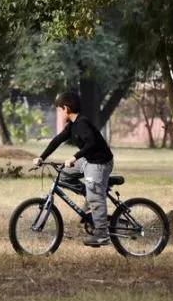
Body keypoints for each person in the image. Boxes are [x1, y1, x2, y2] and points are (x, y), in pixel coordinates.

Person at [34, 91, 114, 247]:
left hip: (99, 162)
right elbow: (57, 140)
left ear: (66, 108)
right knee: (62, 175)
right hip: (88, 160)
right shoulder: (72, 125)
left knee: (95, 196)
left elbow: (91, 143)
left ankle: (102, 235)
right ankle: (92, 194)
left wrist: (74, 157)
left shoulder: (82, 123)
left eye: (59, 109)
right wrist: (42, 157)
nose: (58, 113)